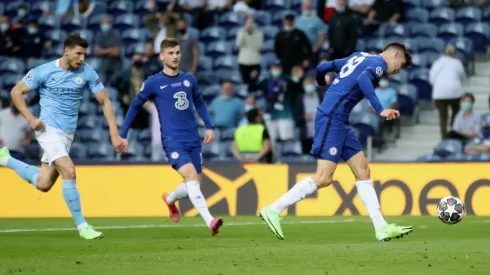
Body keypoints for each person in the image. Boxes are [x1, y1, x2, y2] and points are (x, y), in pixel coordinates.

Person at [259, 43, 414, 242]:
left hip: (340, 120)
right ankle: (273, 209)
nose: (397, 70)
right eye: (399, 65)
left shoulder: (358, 56)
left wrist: (319, 81)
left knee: (363, 171)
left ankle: (381, 227)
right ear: (395, 54)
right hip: (331, 118)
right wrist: (379, 109)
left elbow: (323, 67)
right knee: (323, 178)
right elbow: (363, 79)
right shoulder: (378, 64)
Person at [0, 33, 127, 239]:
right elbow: (16, 92)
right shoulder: (44, 71)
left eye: (85, 54)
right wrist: (31, 119)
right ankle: (83, 227)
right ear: (66, 51)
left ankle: (5, 159)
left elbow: (105, 102)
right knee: (69, 171)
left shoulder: (87, 72)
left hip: (67, 134)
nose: (82, 58)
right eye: (79, 53)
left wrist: (114, 134)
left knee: (44, 184)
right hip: (48, 131)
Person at [120, 38, 224, 236]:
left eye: (177, 53)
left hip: (193, 139)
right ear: (161, 56)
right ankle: (210, 221)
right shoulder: (153, 82)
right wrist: (123, 134)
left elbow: (200, 103)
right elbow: (134, 106)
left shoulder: (189, 79)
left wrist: (209, 127)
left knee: (193, 184)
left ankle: (169, 199)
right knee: (191, 177)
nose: (175, 56)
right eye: (170, 53)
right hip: (172, 140)